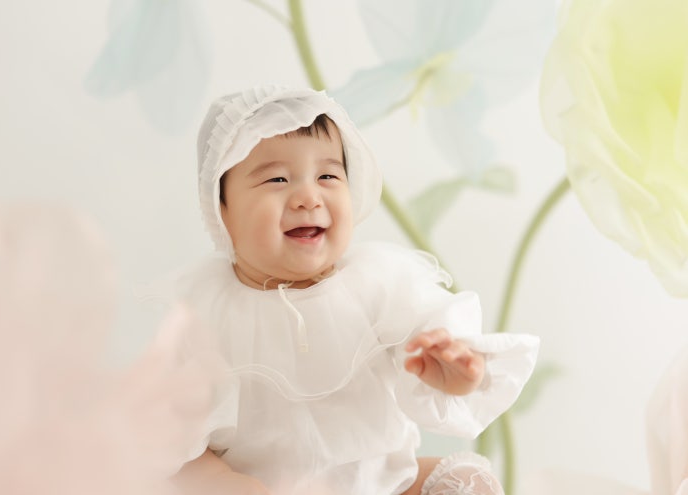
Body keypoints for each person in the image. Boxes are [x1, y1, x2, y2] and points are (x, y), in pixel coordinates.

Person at [173, 85, 540, 495]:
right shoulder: (203, 314)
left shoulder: (381, 282)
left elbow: (434, 331)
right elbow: (174, 446)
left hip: (384, 484)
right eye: (277, 178)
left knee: (470, 483)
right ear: (220, 207)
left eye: (328, 176)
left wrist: (455, 370)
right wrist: (221, 481)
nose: (308, 197)